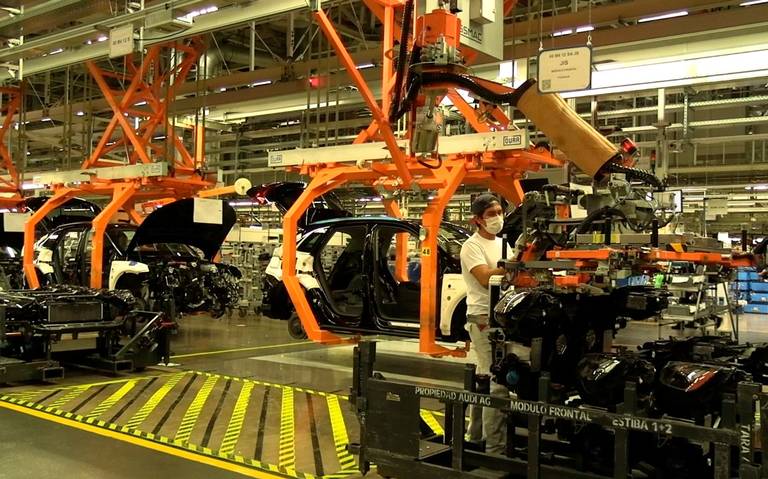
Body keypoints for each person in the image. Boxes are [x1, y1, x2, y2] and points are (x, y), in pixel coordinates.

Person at [460, 193, 507, 455]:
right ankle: (495, 449)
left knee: (483, 380)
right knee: (498, 383)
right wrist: (513, 266)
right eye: (491, 214)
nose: (497, 218)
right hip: (482, 319)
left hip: (501, 317)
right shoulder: (472, 246)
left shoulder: (503, 244)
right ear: (477, 219)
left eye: (499, 212)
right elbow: (485, 278)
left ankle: (475, 436)